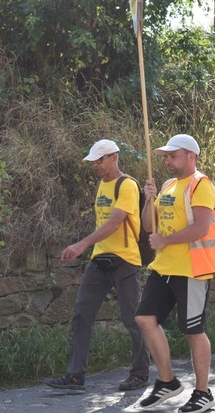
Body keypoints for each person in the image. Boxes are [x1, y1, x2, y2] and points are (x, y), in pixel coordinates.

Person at [43, 139, 150, 392]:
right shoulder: (102, 185)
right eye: (94, 161)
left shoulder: (128, 185)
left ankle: (140, 374)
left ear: (114, 157)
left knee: (133, 319)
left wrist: (81, 245)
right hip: (99, 260)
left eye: (100, 160)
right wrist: (91, 248)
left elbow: (114, 223)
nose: (96, 165)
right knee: (81, 314)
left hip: (125, 260)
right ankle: (75, 376)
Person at [135, 134, 215, 413]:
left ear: (191, 156)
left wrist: (165, 241)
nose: (167, 160)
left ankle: (203, 392)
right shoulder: (166, 185)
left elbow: (201, 228)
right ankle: (167, 381)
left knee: (193, 330)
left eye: (173, 155)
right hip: (164, 267)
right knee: (143, 318)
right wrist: (148, 200)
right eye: (165, 156)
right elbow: (149, 226)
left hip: (192, 269)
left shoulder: (202, 184)